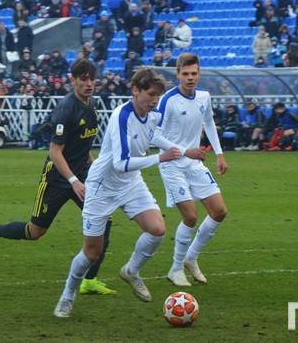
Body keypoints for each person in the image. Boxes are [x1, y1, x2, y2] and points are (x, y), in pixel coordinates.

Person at [0, 59, 116, 295]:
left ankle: (90, 280)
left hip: (81, 176)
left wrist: (95, 167)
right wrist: (73, 181)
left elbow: (83, 145)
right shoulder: (65, 110)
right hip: (57, 178)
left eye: (92, 79)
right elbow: (55, 152)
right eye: (84, 79)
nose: (89, 84)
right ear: (73, 80)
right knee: (35, 232)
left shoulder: (92, 106)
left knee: (103, 220)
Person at [53, 67, 183, 318]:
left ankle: (131, 271)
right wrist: (161, 158)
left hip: (131, 183)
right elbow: (121, 163)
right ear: (135, 91)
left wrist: (180, 150)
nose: (155, 100)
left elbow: (152, 135)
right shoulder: (121, 115)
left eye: (158, 96)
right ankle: (67, 295)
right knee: (92, 252)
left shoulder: (153, 115)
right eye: (151, 94)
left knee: (157, 229)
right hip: (102, 186)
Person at [154, 53, 227, 286]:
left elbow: (209, 123)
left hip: (194, 163)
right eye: (185, 74)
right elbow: (154, 135)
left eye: (194, 73)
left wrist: (219, 154)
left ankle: (191, 257)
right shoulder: (167, 100)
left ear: (199, 73)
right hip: (172, 164)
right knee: (191, 216)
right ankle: (176, 268)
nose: (190, 78)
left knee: (219, 211)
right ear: (177, 74)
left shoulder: (204, 97)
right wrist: (186, 151)